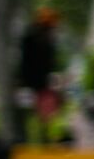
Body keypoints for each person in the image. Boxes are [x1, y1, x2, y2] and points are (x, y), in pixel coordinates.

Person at [17, 8, 61, 144]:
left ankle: (43, 138)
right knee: (26, 113)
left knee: (44, 115)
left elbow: (50, 65)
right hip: (28, 82)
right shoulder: (30, 38)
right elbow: (25, 61)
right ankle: (24, 138)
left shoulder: (48, 42)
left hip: (41, 84)